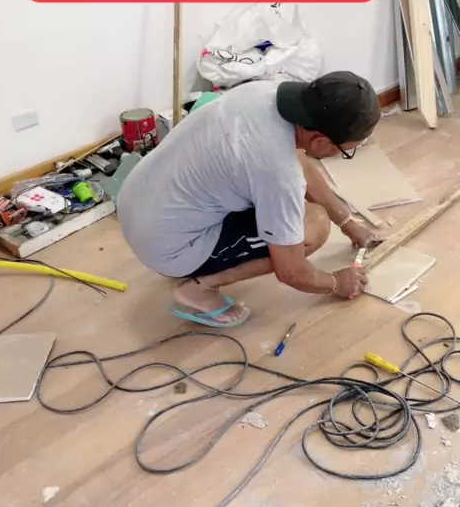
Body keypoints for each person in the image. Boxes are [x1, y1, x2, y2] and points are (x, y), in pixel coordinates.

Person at [117, 72, 381, 328]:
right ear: (321, 141)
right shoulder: (278, 174)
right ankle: (198, 289)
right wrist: (335, 282)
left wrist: (347, 222)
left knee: (284, 208)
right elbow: (291, 271)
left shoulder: (262, 93)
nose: (345, 153)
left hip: (135, 202)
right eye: (347, 150)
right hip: (165, 247)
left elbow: (299, 161)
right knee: (314, 225)